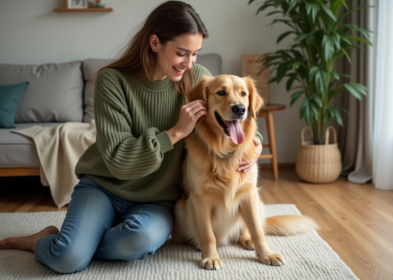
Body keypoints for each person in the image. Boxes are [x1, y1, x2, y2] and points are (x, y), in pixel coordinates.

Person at [0, 1, 263, 274]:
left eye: (196, 53)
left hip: (157, 199)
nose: (190, 63)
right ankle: (44, 241)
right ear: (155, 43)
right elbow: (118, 161)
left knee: (139, 240)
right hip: (104, 187)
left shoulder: (197, 79)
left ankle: (76, 243)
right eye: (182, 53)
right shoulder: (111, 81)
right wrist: (174, 133)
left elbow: (232, 116)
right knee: (66, 259)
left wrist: (255, 146)